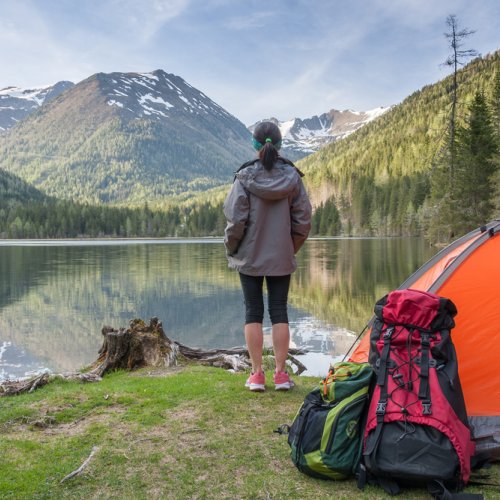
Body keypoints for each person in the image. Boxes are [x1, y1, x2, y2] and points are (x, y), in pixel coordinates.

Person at [223, 121, 312, 392]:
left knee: (253, 312)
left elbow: (235, 219)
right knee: (279, 311)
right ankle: (282, 375)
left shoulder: (245, 177)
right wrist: (289, 247)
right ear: (279, 144)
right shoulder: (293, 178)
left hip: (249, 256)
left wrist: (232, 247)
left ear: (254, 145)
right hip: (281, 256)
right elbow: (303, 220)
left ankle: (257, 374)